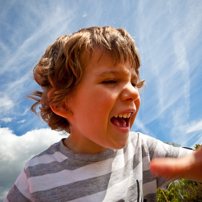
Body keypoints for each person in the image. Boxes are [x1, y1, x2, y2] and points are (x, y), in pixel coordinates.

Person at [4, 26, 201, 202]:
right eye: (110, 81)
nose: (133, 92)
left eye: (133, 82)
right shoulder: (35, 174)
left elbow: (195, 163)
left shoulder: (142, 150)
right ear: (63, 103)